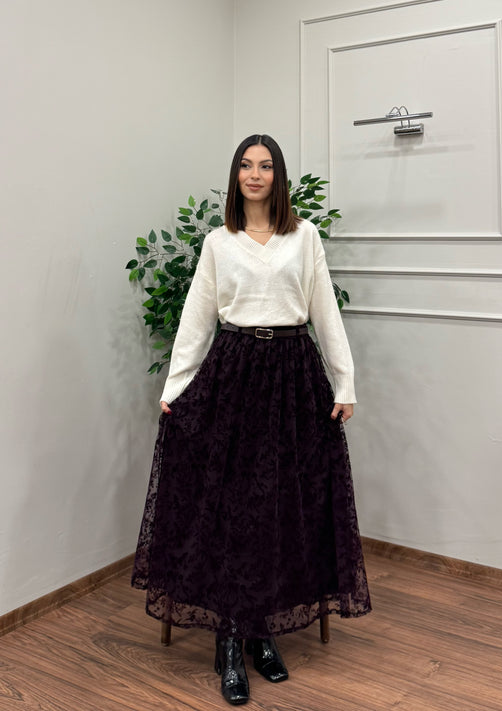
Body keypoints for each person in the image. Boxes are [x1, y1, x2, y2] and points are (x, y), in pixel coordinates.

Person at [131, 134, 371, 706]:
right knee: (233, 508)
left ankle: (262, 630)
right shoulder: (219, 242)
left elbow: (324, 311)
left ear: (278, 176)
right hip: (233, 374)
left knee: (280, 507)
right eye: (246, 165)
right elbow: (197, 318)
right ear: (236, 176)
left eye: (265, 166)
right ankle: (231, 639)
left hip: (293, 377)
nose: (255, 174)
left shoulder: (304, 236)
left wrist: (345, 382)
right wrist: (175, 388)